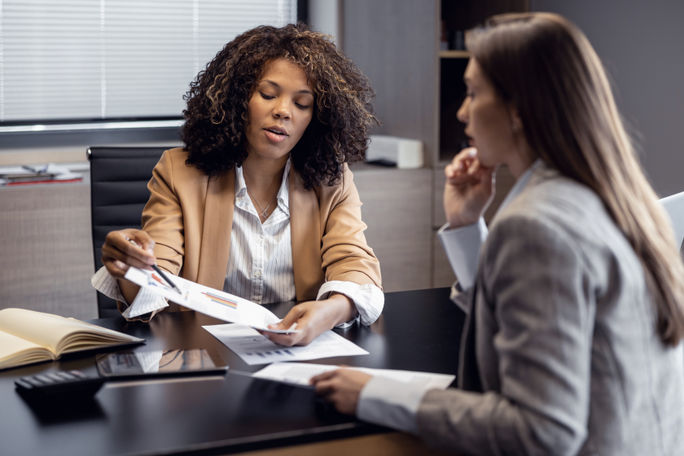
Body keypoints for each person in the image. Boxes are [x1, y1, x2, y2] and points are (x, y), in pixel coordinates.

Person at [311, 12, 684, 454]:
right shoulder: (616, 198)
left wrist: (377, 394)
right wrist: (468, 228)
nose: (462, 111)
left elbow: (541, 432)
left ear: (519, 110)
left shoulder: (537, 224)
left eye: (472, 93)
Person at [92, 24, 383, 346]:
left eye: (302, 104)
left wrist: (332, 310)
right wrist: (131, 266)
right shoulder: (180, 172)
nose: (283, 111)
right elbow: (158, 275)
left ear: (317, 119)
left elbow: (354, 261)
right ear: (239, 97)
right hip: (205, 355)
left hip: (296, 354)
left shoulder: (332, 180)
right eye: (268, 95)